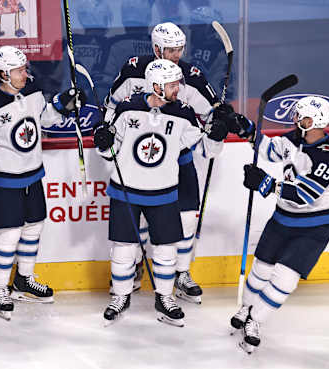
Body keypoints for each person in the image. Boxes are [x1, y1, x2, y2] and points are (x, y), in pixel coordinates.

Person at [95, 59, 228, 327]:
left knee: (166, 250)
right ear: (156, 86)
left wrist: (216, 136)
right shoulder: (126, 109)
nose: (178, 89)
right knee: (123, 249)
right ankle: (120, 297)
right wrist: (102, 143)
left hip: (165, 193)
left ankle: (165, 298)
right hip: (126, 192)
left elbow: (205, 150)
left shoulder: (183, 114)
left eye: (178, 83)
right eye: (172, 84)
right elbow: (109, 151)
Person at [228, 96, 329, 353]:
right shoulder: (294, 138)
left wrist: (265, 184)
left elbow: (305, 196)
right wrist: (246, 128)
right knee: (260, 268)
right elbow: (270, 150)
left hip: (316, 225)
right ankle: (246, 308)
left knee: (285, 278)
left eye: (301, 117)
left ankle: (256, 320)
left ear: (316, 121)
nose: (295, 119)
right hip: (283, 217)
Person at [0, 46, 87, 320]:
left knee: (33, 227)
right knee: (8, 235)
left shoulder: (32, 90)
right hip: (4, 180)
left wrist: (63, 104)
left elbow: (43, 119)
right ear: (3, 74)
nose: (25, 73)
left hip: (33, 175)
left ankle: (24, 279)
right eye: (19, 70)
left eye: (24, 68)